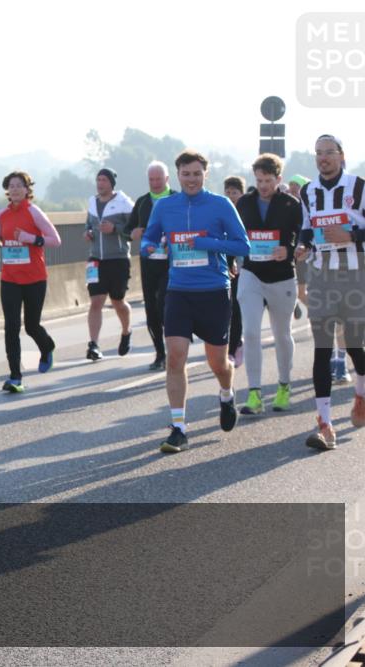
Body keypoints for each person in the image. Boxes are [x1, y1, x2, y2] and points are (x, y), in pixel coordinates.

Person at [141, 150, 250, 453]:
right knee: (175, 356)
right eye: (186, 174)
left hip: (214, 290)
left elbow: (243, 244)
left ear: (205, 175)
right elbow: (148, 239)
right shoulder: (164, 206)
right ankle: (178, 427)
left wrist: (206, 243)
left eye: (197, 174)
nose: (191, 179)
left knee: (218, 362)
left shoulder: (220, 204)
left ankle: (227, 394)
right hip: (179, 290)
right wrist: (150, 248)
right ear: (177, 175)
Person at [295, 135, 365, 450]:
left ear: (341, 155)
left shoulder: (359, 187)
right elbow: (307, 228)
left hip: (354, 277)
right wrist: (302, 245)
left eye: (329, 153)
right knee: (322, 350)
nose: (323, 158)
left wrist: (351, 234)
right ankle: (325, 424)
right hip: (321, 277)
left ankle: (361, 396)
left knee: (354, 346)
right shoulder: (308, 192)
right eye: (318, 153)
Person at [233, 154, 302, 415]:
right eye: (259, 180)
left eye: (268, 180)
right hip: (251, 273)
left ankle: (284, 386)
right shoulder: (245, 203)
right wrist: (232, 259)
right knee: (250, 332)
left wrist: (290, 249)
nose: (263, 185)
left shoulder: (290, 204)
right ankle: (254, 393)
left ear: (278, 179)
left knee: (281, 333)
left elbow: (300, 233)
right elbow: (235, 233)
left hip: (282, 275)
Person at [0, 170, 61, 392]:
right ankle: (15, 377)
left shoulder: (35, 212)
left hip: (34, 278)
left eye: (20, 185)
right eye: (11, 185)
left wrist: (32, 238)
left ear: (28, 190)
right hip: (10, 278)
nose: (15, 189)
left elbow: (55, 240)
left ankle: (47, 346)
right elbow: (3, 240)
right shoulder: (1, 215)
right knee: (11, 327)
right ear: (7, 191)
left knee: (31, 325)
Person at [127, 161, 175, 371]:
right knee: (151, 311)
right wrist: (133, 233)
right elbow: (127, 230)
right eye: (151, 180)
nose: (155, 183)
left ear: (167, 179)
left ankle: (175, 349)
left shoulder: (177, 199)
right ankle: (160, 354)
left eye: (158, 179)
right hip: (148, 263)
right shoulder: (143, 202)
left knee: (164, 305)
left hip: (173, 263)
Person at [83, 168, 135, 361]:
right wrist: (87, 232)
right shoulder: (92, 202)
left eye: (104, 180)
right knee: (96, 301)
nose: (100, 183)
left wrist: (115, 229)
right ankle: (93, 344)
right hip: (95, 259)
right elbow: (88, 224)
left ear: (112, 183)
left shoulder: (124, 203)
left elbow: (133, 231)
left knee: (117, 301)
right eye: (98, 179)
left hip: (118, 259)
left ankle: (126, 331)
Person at [223, 177, 247, 368]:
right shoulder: (223, 212)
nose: (231, 196)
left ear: (242, 193)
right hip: (233, 269)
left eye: (235, 192)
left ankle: (235, 346)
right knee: (232, 310)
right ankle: (234, 346)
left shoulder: (247, 212)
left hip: (253, 267)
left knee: (241, 311)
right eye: (228, 192)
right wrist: (230, 263)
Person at [288, 174, 312, 319]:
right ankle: (314, 309)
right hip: (291, 255)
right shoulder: (286, 206)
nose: (293, 189)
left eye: (297, 186)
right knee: (299, 293)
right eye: (291, 185)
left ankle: (317, 311)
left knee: (302, 292)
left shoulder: (309, 208)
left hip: (305, 255)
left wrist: (305, 245)